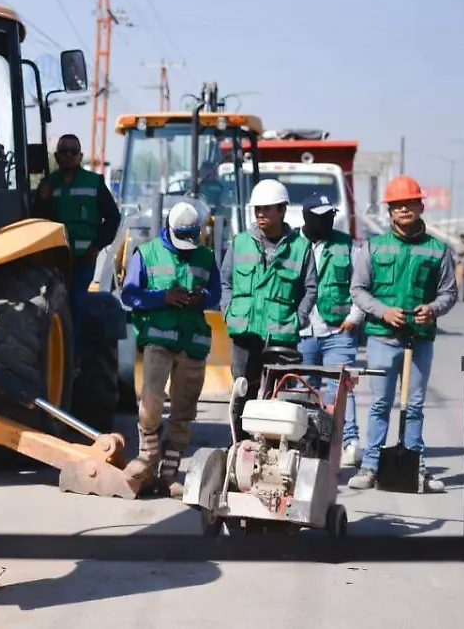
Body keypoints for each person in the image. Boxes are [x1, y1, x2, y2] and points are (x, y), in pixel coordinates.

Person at [347, 175, 457, 493]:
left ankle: (416, 468)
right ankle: (370, 467)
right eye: (397, 205)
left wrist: (433, 309)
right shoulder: (374, 245)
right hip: (383, 337)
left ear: (421, 206)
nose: (404, 209)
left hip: (419, 339)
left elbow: (448, 293)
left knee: (415, 406)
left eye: (409, 203)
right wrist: (383, 311)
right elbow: (359, 289)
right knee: (381, 404)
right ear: (390, 211)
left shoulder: (438, 250)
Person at [120, 201, 221, 498]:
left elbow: (216, 293)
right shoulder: (147, 253)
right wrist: (163, 297)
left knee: (184, 409)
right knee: (151, 402)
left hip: (192, 343)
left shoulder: (205, 255)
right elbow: (130, 294)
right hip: (159, 341)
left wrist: (200, 298)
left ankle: (168, 474)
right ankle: (147, 458)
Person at [220, 179, 317, 441]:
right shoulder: (239, 243)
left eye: (267, 209)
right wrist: (229, 312)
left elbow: (310, 289)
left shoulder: (300, 247)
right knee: (243, 393)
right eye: (257, 209)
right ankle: (239, 446)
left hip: (281, 335)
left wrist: (298, 319)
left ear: (282, 210)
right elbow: (225, 282)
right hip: (244, 333)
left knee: (277, 396)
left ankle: (273, 449)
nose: (261, 214)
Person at [295, 193, 367, 467]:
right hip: (301, 332)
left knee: (340, 390)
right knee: (304, 390)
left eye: (330, 216)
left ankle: (348, 443)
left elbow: (361, 284)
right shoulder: (292, 245)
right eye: (320, 216)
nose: (327, 220)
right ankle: (309, 442)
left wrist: (354, 317)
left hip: (338, 331)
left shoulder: (347, 245)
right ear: (306, 217)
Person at [35, 133, 121, 352]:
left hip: (83, 260)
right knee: (51, 308)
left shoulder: (94, 182)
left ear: (81, 156)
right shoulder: (48, 184)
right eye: (64, 152)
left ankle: (73, 356)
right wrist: (42, 199)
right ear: (56, 155)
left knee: (75, 306)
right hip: (54, 260)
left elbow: (113, 219)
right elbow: (35, 221)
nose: (69, 156)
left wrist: (96, 247)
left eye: (74, 152)